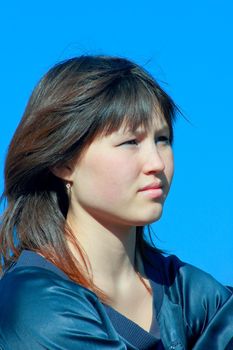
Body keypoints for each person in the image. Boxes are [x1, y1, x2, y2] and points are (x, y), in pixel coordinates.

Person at [0, 55, 232, 350]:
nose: (156, 162)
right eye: (130, 142)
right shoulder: (34, 305)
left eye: (162, 139)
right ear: (63, 161)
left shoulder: (188, 293)